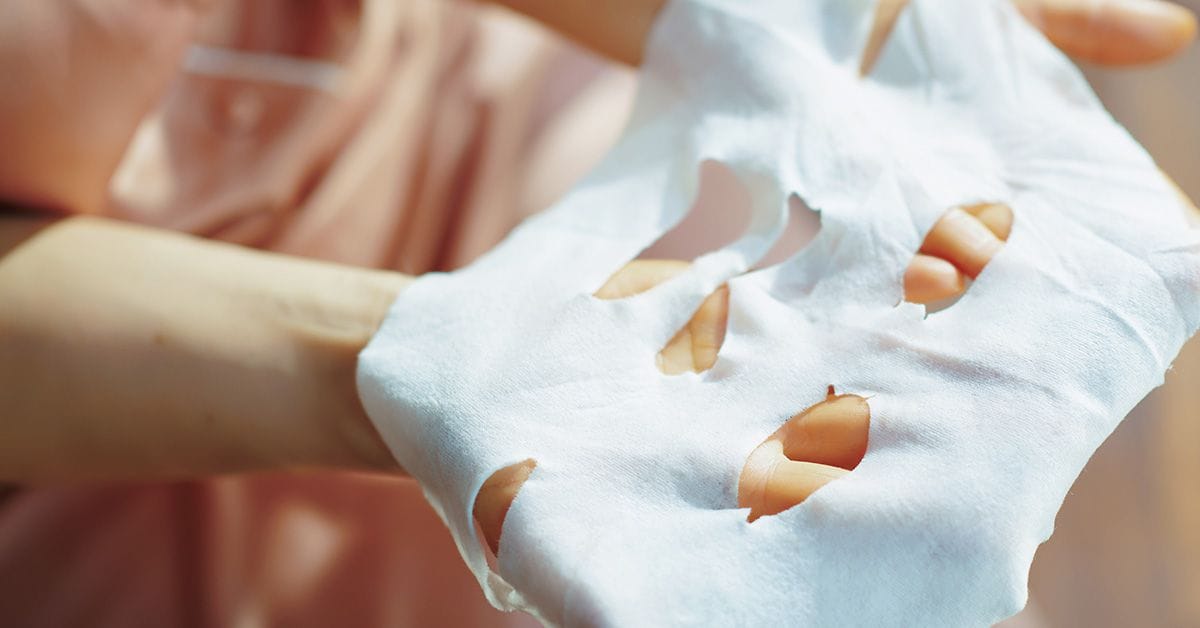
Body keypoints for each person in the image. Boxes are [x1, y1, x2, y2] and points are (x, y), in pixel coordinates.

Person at [0, 0, 1194, 625]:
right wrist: (416, 366)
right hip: (104, 399)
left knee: (878, 542)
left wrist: (761, 19)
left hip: (463, 101)